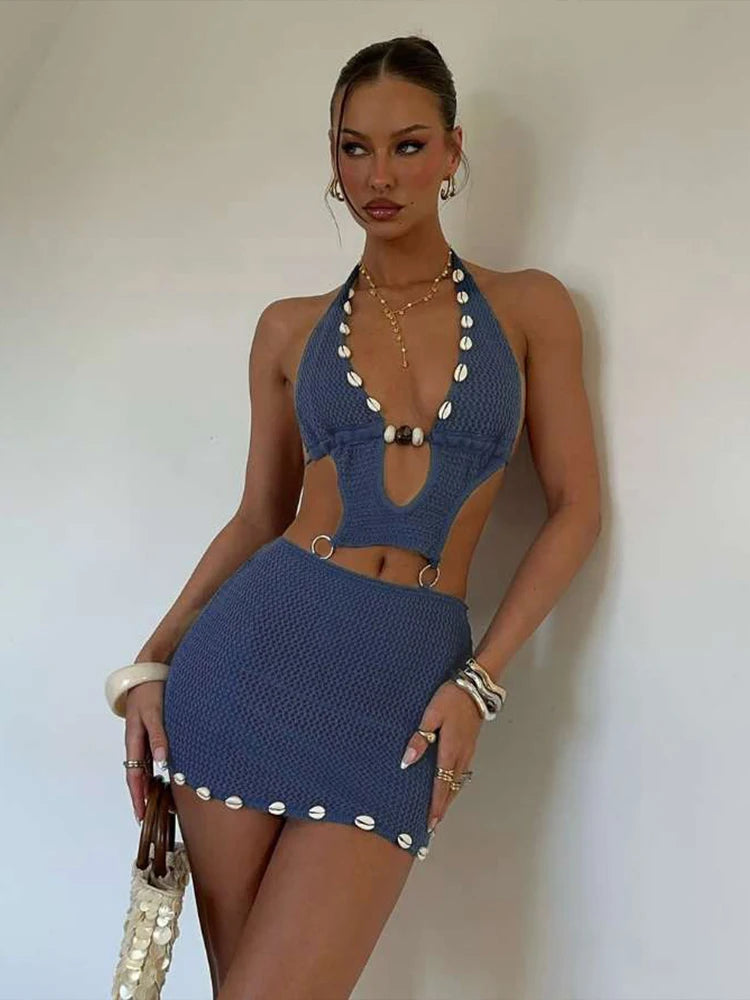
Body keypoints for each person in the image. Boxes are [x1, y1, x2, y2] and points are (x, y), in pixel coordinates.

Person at [111, 35, 601, 1000]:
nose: (380, 176)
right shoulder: (287, 328)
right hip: (245, 670)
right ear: (332, 158)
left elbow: (578, 510)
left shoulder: (531, 308)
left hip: (401, 693)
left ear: (453, 151)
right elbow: (258, 517)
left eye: (409, 146)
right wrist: (149, 667)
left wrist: (480, 684)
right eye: (354, 148)